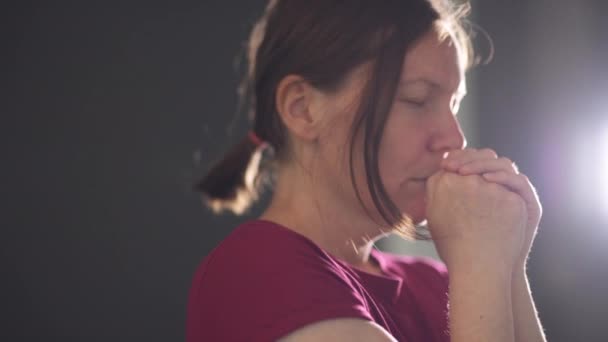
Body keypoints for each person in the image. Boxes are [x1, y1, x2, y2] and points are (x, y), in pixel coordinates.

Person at [187, 0, 546, 341]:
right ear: (302, 108)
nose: (454, 137)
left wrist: (509, 267)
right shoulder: (254, 272)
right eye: (417, 100)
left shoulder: (439, 284)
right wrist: (481, 265)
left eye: (453, 104)